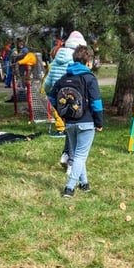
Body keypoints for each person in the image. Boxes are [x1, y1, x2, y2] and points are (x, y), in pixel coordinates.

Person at [48, 45, 103, 198]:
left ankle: (84, 184)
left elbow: (52, 97)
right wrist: (99, 123)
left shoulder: (64, 78)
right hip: (86, 123)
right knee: (80, 155)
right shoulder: (90, 78)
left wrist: (61, 113)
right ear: (88, 62)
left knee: (79, 154)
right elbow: (96, 103)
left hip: (69, 122)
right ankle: (69, 187)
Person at [44, 31, 87, 166]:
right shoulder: (75, 60)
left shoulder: (56, 58)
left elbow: (48, 83)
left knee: (69, 127)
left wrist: (53, 98)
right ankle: (71, 162)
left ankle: (65, 154)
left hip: (58, 99)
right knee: (74, 129)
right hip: (73, 98)